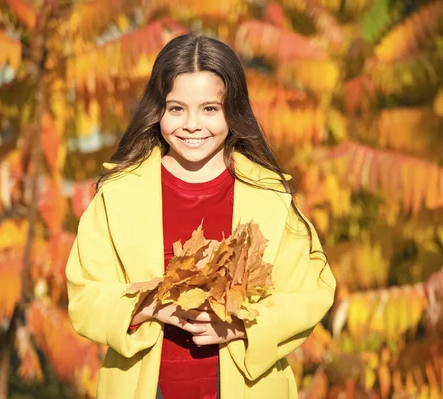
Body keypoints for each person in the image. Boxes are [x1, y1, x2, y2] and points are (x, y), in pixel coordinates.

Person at [65, 32, 336, 399]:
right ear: (157, 109)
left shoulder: (269, 195)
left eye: (210, 109)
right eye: (176, 108)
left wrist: (243, 326)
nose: (192, 124)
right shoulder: (118, 195)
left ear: (233, 110)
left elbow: (310, 293)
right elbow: (84, 296)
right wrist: (152, 306)